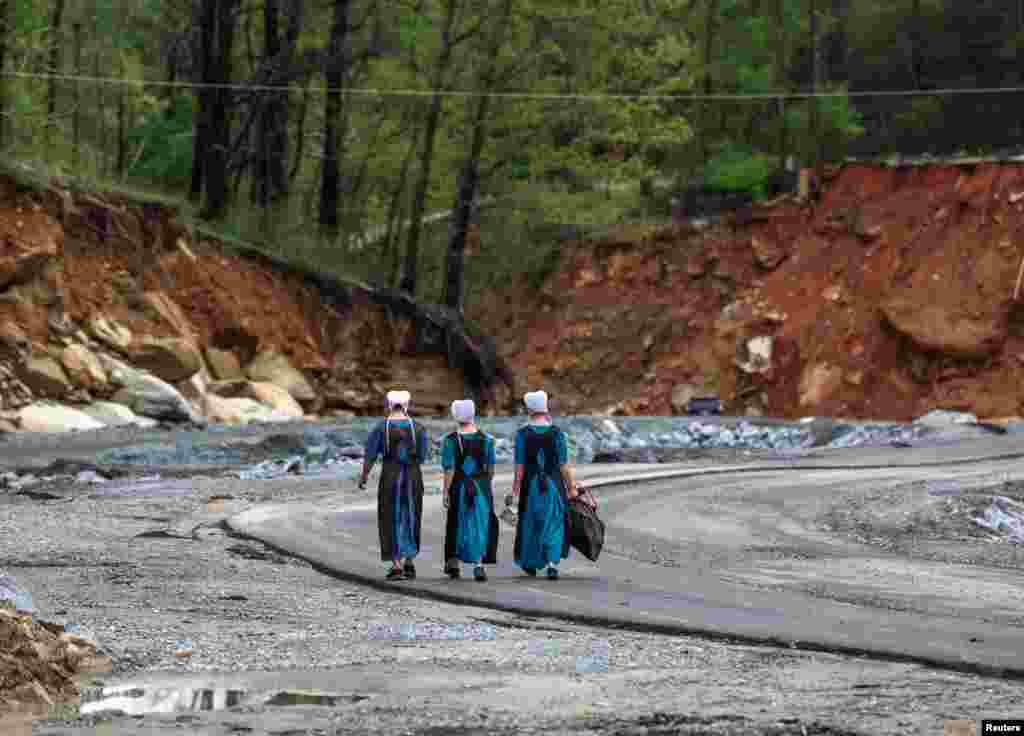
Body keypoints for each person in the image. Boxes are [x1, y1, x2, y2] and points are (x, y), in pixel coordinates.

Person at [358, 390, 429, 581]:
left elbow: (371, 455)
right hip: (413, 477)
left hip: (390, 476)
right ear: (406, 404)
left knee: (391, 517)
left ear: (389, 404)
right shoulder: (419, 428)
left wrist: (364, 476)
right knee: (412, 515)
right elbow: (422, 456)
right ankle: (409, 562)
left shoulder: (381, 428)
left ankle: (396, 566)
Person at [509, 390, 579, 580]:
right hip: (554, 486)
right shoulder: (558, 434)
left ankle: (530, 562)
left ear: (529, 409)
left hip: (530, 488)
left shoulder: (522, 434)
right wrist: (571, 487)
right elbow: (564, 465)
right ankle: (552, 564)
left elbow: (519, 468)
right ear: (544, 407)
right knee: (554, 523)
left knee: (532, 523)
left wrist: (515, 491)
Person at [440, 399, 499, 582]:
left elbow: (449, 469)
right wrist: (484, 484)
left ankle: (453, 563)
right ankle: (478, 564)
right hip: (481, 487)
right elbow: (490, 469)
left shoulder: (450, 441)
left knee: (456, 523)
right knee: (480, 524)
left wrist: (445, 491)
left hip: (459, 487)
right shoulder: (488, 440)